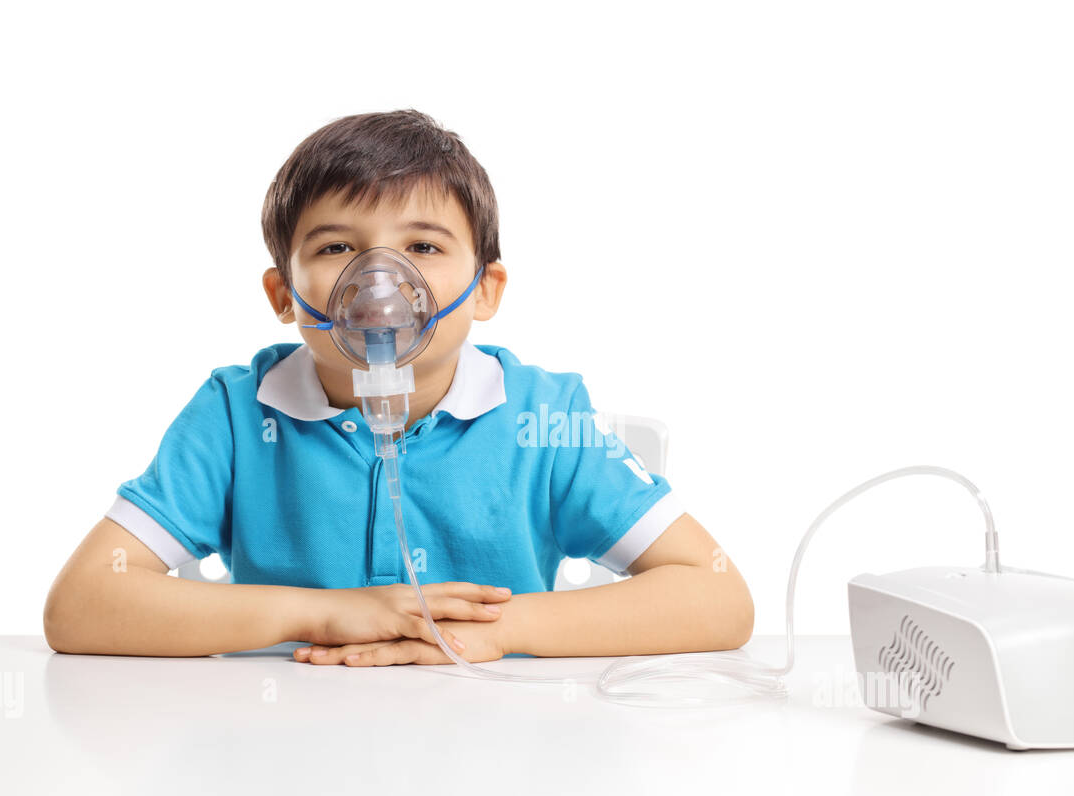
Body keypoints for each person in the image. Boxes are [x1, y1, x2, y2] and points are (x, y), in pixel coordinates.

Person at [43, 109, 754, 667]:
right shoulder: (236, 416)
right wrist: (333, 613)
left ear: (485, 290)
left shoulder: (542, 417)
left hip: (498, 755)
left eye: (422, 246)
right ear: (283, 295)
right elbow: (81, 605)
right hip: (284, 748)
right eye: (335, 247)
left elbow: (718, 596)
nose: (379, 283)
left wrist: (499, 632)